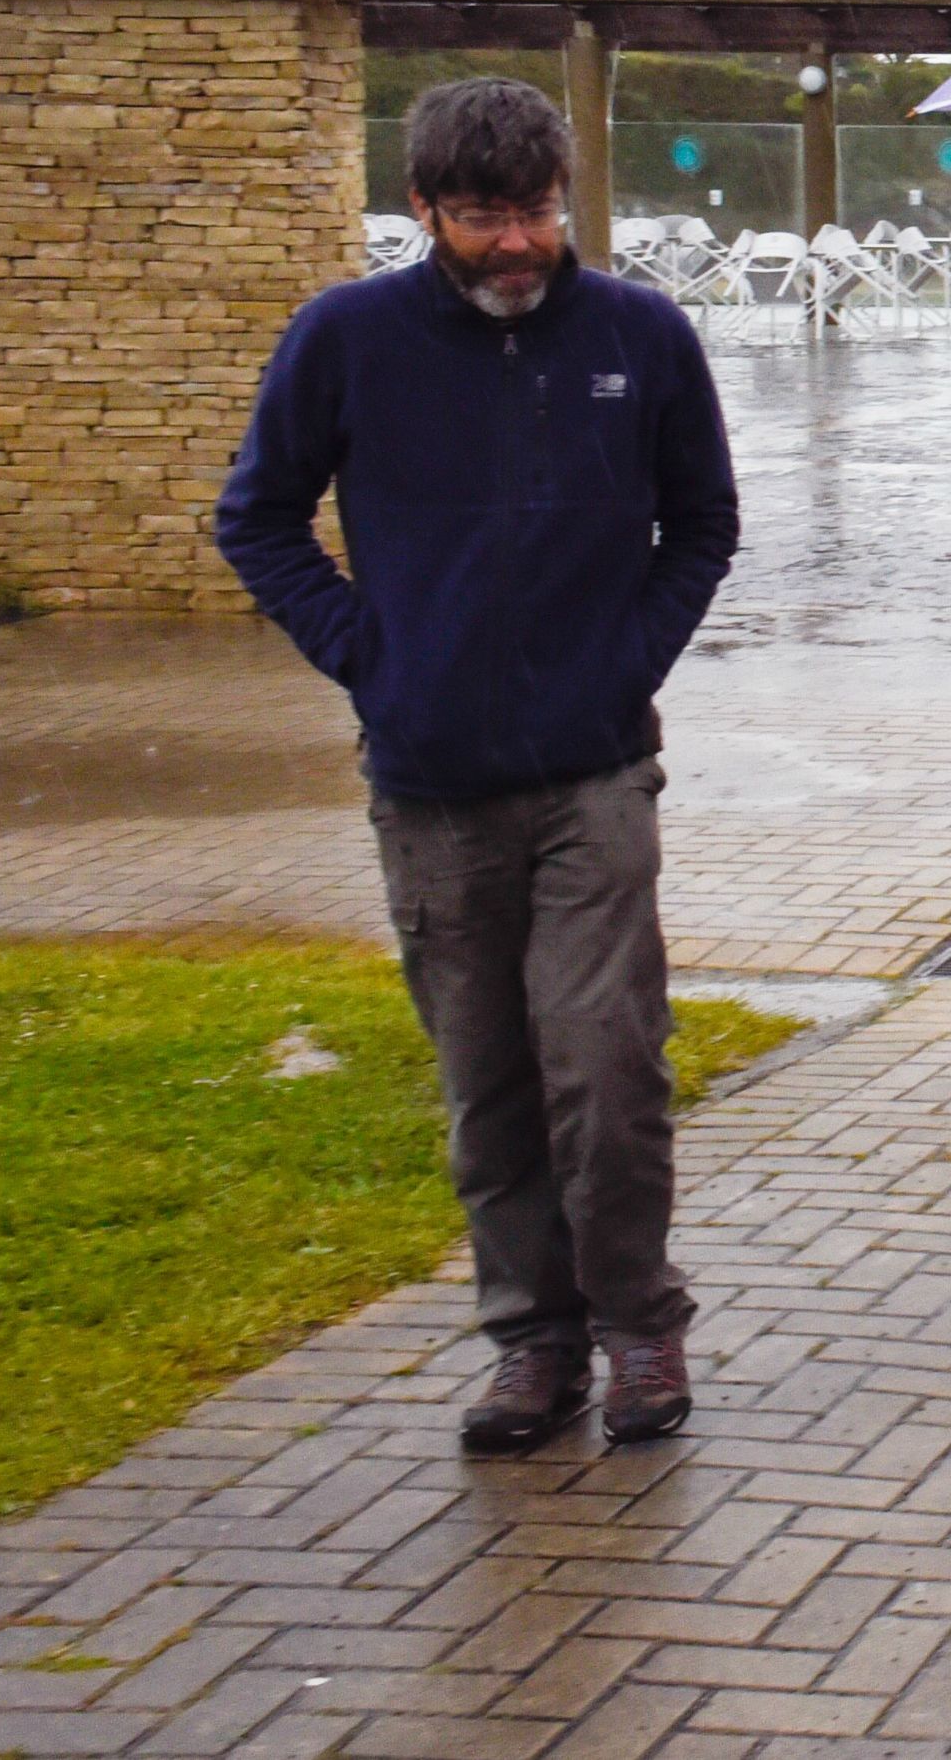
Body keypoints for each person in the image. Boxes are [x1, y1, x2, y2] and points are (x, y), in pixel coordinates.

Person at [216, 76, 740, 1455]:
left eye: (537, 211)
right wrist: (368, 656)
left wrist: (627, 660)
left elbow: (703, 521)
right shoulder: (347, 339)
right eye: (481, 215)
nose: (515, 243)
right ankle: (532, 1341)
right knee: (490, 1082)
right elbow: (257, 517)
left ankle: (638, 1324)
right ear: (423, 209)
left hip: (593, 774)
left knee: (606, 1066)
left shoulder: (638, 334)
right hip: (430, 783)